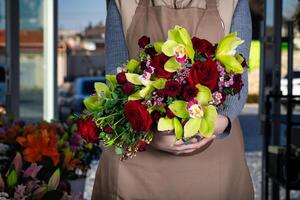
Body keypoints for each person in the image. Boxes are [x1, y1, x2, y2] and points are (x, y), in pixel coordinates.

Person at [92, 0, 254, 199]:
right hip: (136, 164)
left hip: (213, 159)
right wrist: (148, 134)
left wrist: (217, 123)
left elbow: (240, 75)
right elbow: (116, 77)